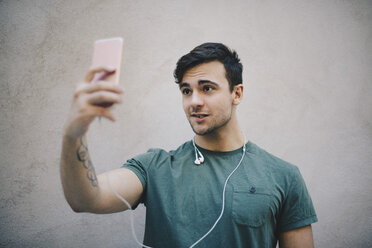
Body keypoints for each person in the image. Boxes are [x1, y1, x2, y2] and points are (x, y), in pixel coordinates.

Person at [60, 43, 317, 248]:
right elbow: (85, 199)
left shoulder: (284, 176)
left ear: (236, 94)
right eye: (186, 91)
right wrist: (73, 135)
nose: (194, 101)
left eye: (207, 88)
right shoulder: (155, 167)